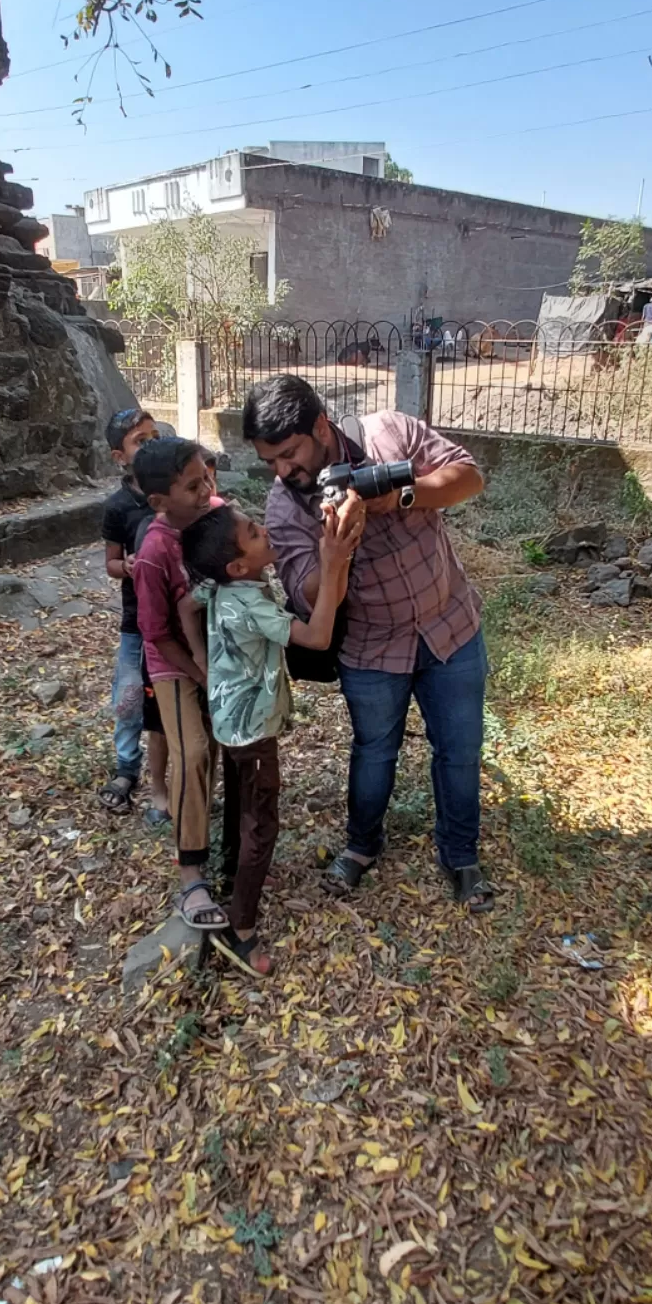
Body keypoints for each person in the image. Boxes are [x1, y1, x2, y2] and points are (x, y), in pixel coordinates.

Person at [242, 374, 493, 912]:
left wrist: (400, 496)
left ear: (321, 426)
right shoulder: (285, 509)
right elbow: (306, 596)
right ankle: (361, 846)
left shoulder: (389, 434)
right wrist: (336, 549)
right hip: (372, 650)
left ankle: (460, 854)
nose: (284, 471)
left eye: (289, 454)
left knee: (460, 751)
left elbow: (469, 477)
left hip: (451, 626)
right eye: (271, 462)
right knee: (374, 752)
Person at [181, 502, 358, 974]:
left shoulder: (218, 582)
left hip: (226, 718)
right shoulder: (253, 605)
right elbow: (318, 637)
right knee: (263, 823)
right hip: (253, 730)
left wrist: (202, 661)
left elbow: (186, 606)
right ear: (238, 565)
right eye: (256, 532)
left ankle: (232, 869)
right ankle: (241, 930)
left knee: (241, 802)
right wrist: (334, 560)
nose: (266, 531)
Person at [133, 437, 227, 930]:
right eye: (193, 486)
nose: (206, 489)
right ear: (158, 502)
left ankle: (223, 838)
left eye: (206, 478)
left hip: (218, 653)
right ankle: (191, 873)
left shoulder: (216, 515)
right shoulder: (152, 554)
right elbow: (157, 635)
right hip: (172, 663)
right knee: (191, 751)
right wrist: (200, 674)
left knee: (216, 748)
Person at [99, 407, 169, 822]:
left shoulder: (174, 492)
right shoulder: (118, 507)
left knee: (165, 704)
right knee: (128, 700)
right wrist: (125, 567)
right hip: (135, 623)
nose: (151, 445)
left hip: (173, 622)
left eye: (155, 436)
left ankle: (175, 778)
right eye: (140, 441)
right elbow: (110, 562)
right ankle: (127, 769)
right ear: (119, 457)